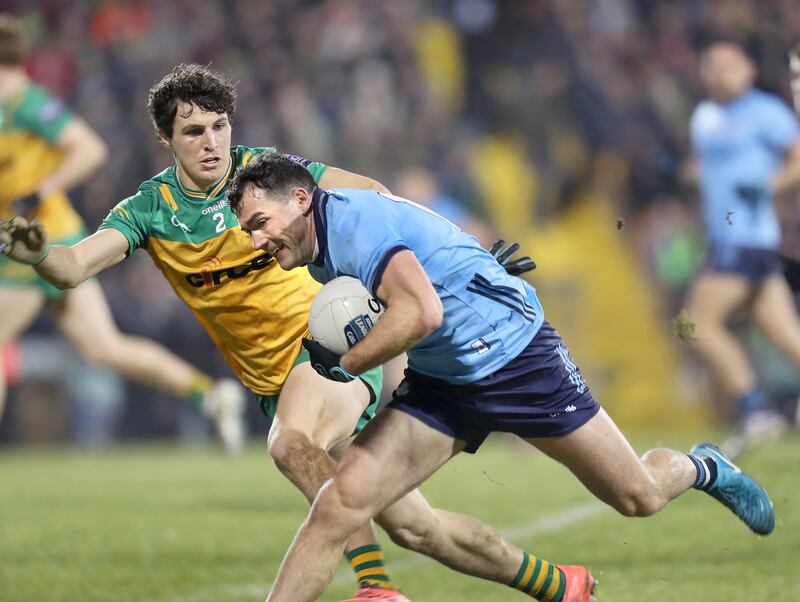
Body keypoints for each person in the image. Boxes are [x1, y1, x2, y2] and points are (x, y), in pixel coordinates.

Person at [0, 63, 556, 602]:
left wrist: (463, 258)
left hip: (329, 348)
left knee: (291, 446)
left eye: (220, 125)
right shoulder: (150, 209)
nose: (211, 142)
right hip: (269, 382)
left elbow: (374, 192)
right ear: (166, 138)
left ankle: (376, 588)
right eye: (193, 131)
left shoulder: (266, 173)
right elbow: (73, 268)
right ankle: (560, 585)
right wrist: (40, 255)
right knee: (418, 529)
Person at [226, 153, 777, 602]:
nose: (256, 241)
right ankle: (562, 588)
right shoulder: (318, 240)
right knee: (342, 507)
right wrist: (470, 264)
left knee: (639, 497)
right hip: (445, 379)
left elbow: (421, 314)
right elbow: (415, 231)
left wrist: (343, 365)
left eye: (259, 224)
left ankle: (705, 466)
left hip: (518, 360)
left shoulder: (348, 224)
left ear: (300, 200)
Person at [0, 15, 244, 452]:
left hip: (45, 242)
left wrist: (39, 191)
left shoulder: (25, 103)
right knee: (102, 347)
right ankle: (209, 395)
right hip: (34, 243)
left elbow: (91, 148)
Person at [684, 40, 800, 452]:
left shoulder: (766, 112)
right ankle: (758, 413)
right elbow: (707, 171)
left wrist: (767, 186)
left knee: (696, 322)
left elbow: (796, 160)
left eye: (729, 65)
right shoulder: (704, 116)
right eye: (712, 65)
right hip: (728, 238)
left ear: (748, 70)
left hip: (747, 236)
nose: (720, 73)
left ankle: (756, 413)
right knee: (785, 335)